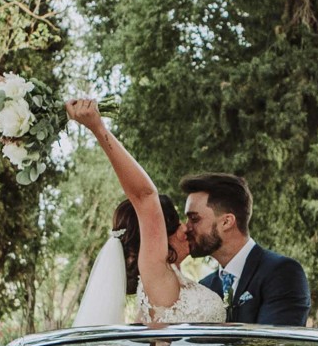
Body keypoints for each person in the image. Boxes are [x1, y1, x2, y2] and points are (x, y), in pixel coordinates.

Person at [66, 99, 225, 326]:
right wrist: (98, 128)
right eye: (179, 222)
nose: (185, 228)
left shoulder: (160, 288)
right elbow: (145, 197)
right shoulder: (157, 274)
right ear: (160, 236)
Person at [182, 172, 311, 326]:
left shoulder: (282, 273)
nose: (185, 228)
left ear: (227, 222)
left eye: (194, 219)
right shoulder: (205, 286)